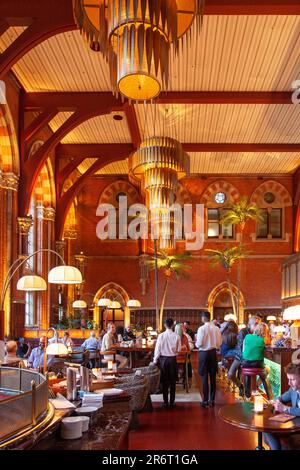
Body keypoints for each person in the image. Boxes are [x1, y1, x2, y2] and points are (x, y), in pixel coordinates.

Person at [264, 362, 300, 450]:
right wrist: (275, 402)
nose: (289, 383)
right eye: (288, 379)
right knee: (266, 429)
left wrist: (285, 408)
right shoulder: (293, 389)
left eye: (292, 379)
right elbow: (282, 398)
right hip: (296, 425)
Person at [227, 316, 260, 396]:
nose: (257, 326)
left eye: (258, 324)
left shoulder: (257, 332)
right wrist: (243, 362)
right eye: (255, 324)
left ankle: (253, 389)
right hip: (240, 357)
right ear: (249, 324)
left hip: (251, 358)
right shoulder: (243, 332)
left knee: (247, 375)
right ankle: (240, 386)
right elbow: (241, 348)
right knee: (230, 374)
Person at [153, 318, 181, 409]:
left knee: (164, 382)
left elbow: (157, 350)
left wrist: (155, 360)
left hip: (163, 360)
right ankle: (172, 403)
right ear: (172, 325)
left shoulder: (161, 336)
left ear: (164, 325)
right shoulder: (177, 336)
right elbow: (179, 350)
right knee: (172, 382)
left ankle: (165, 403)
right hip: (173, 360)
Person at [196, 311, 222, 408]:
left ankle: (205, 400)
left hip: (203, 353)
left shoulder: (201, 329)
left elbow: (199, 344)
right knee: (213, 377)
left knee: (204, 377)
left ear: (203, 318)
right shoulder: (216, 328)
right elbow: (219, 343)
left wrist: (196, 344)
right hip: (213, 353)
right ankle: (212, 400)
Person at [242, 322, 271, 398]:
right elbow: (265, 353)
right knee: (267, 369)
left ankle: (247, 396)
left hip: (245, 363)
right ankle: (270, 398)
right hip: (257, 364)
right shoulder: (262, 340)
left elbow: (243, 350)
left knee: (247, 374)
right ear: (263, 332)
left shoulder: (247, 336)